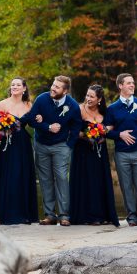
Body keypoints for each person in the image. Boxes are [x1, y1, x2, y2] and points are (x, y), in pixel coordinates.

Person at [26, 75, 83, 227]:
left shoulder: (72, 106)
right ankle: (50, 215)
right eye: (53, 84)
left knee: (62, 178)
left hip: (61, 146)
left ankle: (64, 215)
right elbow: (30, 120)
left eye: (57, 87)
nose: (52, 88)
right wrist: (47, 126)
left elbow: (77, 126)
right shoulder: (41, 99)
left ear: (65, 91)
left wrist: (69, 144)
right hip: (41, 144)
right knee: (45, 180)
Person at [68, 85, 119, 227]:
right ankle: (84, 215)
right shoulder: (79, 109)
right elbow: (73, 129)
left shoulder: (105, 111)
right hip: (82, 150)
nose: (88, 99)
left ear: (99, 99)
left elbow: (111, 125)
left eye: (91, 96)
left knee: (98, 181)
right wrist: (87, 135)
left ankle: (101, 215)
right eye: (87, 95)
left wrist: (103, 132)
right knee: (84, 181)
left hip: (99, 150)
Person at [104, 73, 137, 227]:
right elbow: (106, 131)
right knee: (126, 186)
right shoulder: (112, 109)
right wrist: (119, 134)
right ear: (120, 86)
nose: (132, 85)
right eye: (129, 83)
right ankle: (131, 217)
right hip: (122, 154)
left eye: (133, 83)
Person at [0, 77, 38, 224]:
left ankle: (24, 214)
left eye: (18, 85)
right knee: (7, 175)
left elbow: (34, 123)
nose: (15, 87)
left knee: (21, 175)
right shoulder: (2, 104)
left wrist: (39, 119)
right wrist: (3, 129)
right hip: (5, 144)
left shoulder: (29, 105)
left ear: (24, 88)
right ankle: (4, 214)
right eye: (13, 85)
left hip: (22, 144)